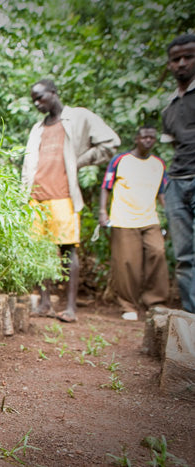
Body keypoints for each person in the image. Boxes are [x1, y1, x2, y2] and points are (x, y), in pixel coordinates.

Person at [22, 79, 120, 322]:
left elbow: (110, 143)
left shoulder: (77, 117)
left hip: (63, 196)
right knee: (41, 252)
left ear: (54, 93)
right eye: (33, 99)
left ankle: (70, 308)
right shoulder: (37, 128)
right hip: (36, 196)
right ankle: (45, 303)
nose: (37, 103)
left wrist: (79, 161)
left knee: (67, 250)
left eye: (41, 97)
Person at [99, 126, 169, 320]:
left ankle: (155, 301)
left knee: (158, 252)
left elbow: (162, 194)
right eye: (144, 137)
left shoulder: (158, 164)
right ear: (136, 139)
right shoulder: (120, 160)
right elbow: (106, 186)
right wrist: (103, 212)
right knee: (127, 263)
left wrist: (170, 215)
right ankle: (128, 305)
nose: (148, 140)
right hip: (124, 219)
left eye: (152, 137)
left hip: (150, 218)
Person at [161, 33, 195, 314]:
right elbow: (175, 145)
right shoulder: (169, 108)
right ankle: (191, 319)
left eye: (188, 57)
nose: (182, 63)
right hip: (177, 182)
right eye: (176, 59)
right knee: (183, 255)